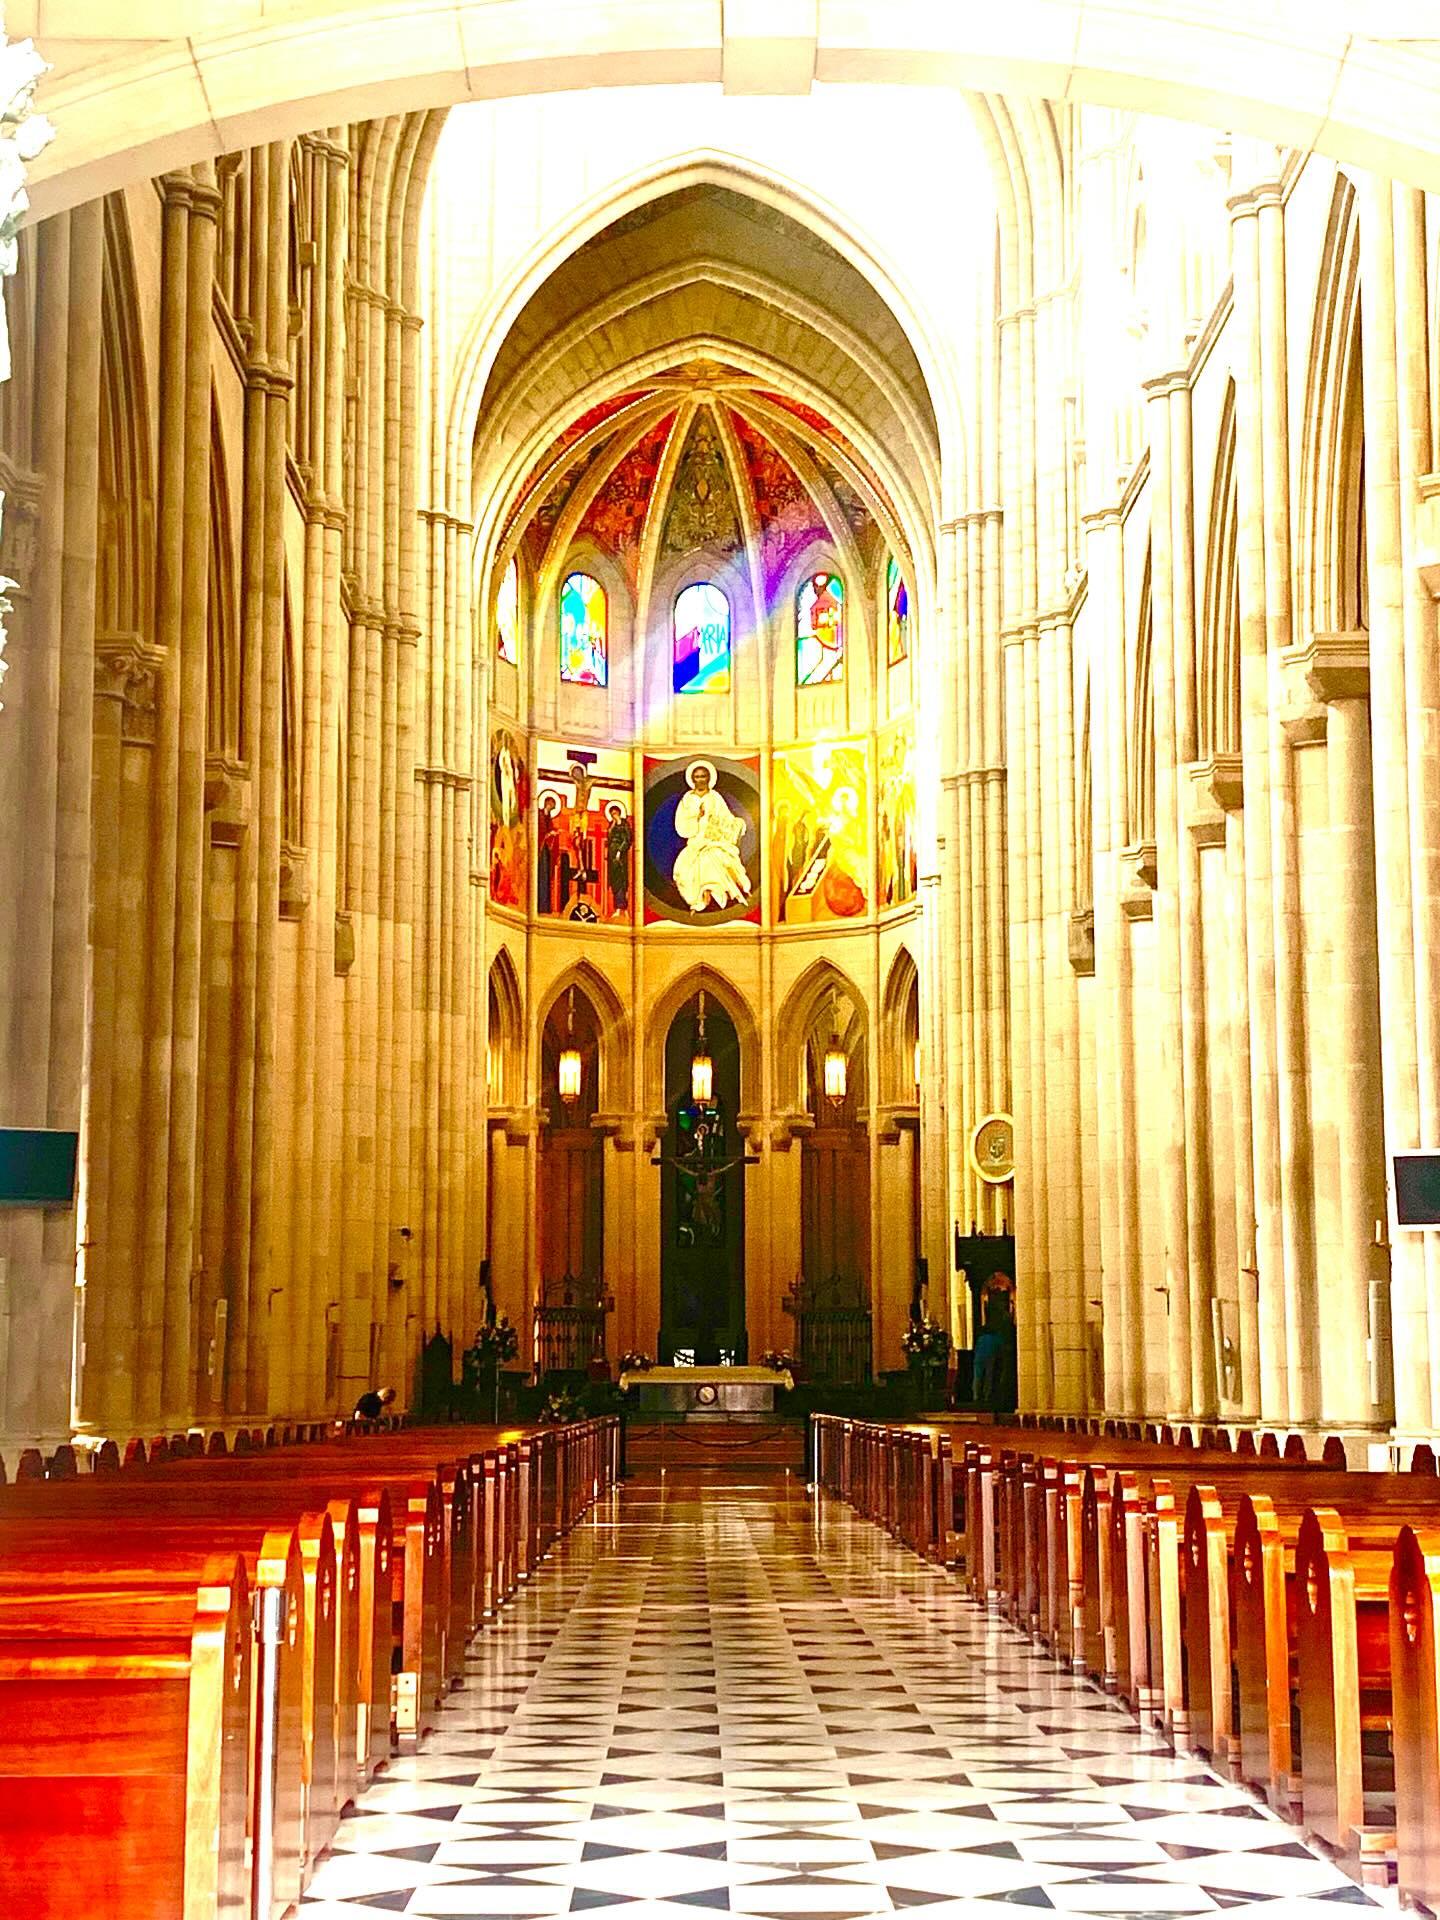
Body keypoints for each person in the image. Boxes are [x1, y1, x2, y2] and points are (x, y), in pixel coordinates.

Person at [672, 759, 751, 912]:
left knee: (714, 857)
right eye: (697, 777)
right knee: (687, 868)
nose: (700, 780)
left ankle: (717, 897)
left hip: (714, 841)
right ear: (692, 779)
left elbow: (726, 817)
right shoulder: (687, 799)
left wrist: (737, 824)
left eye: (703, 776)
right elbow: (681, 824)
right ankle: (699, 900)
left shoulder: (715, 797)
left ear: (708, 778)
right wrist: (696, 815)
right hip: (696, 841)